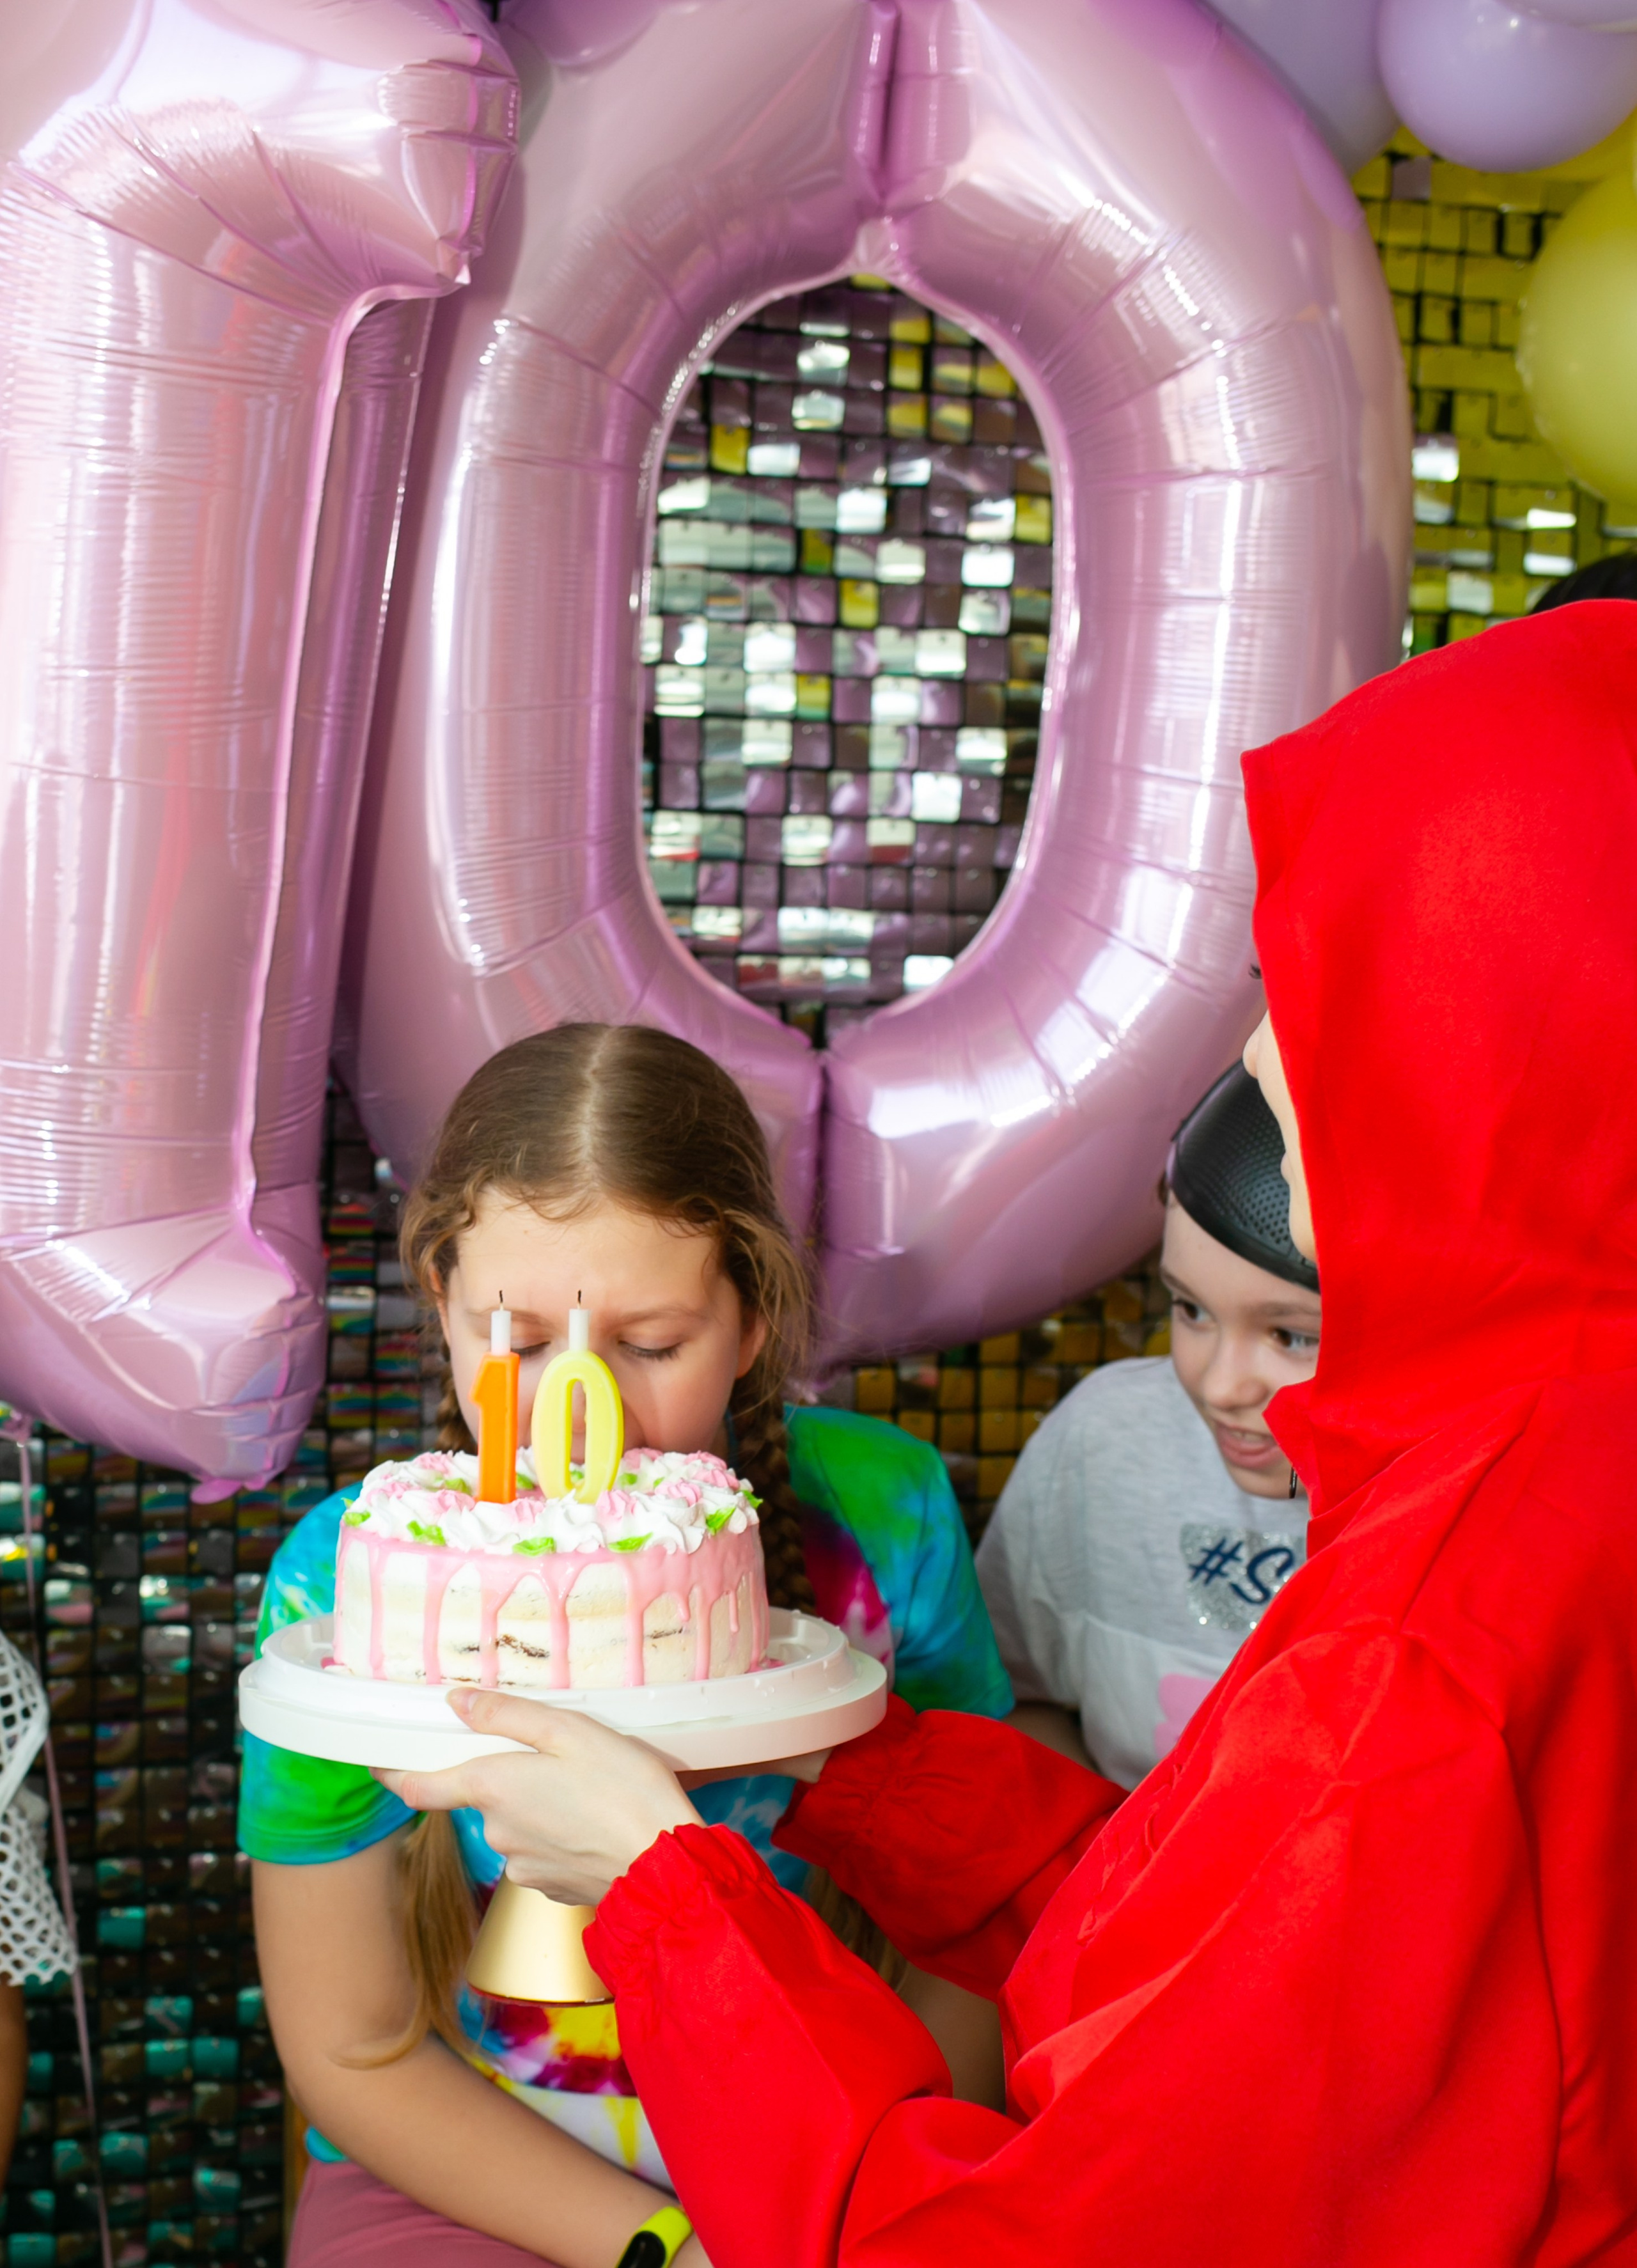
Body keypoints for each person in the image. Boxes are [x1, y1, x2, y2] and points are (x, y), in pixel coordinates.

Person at [383, 602, 1637, 2263]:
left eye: (1330, 973)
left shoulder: (1435, 1639)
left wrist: (662, 1890)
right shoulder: (1549, 1458)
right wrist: (843, 1759)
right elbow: (1233, 1964)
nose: (1261, 1049)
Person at [240, 1026, 1010, 2268]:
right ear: (439, 1297)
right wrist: (666, 2247)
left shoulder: (884, 1515)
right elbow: (351, 2042)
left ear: (750, 1322)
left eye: (650, 1348)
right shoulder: (350, 1582)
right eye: (518, 1339)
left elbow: (970, 1930)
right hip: (479, 2168)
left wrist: (881, 2201)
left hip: (831, 2153)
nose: (574, 1416)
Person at [978, 1064, 1321, 1784]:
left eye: (1291, 1336)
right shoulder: (1104, 1441)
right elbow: (1016, 1702)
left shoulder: (1512, 1503)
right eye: (1190, 1309)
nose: (1220, 1385)